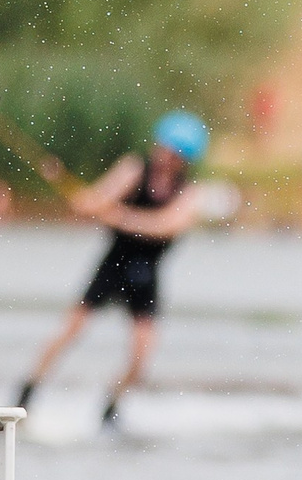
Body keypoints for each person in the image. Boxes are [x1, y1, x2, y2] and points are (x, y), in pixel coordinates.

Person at [15, 112, 212, 425]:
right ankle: (25, 395)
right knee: (70, 331)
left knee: (141, 356)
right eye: (161, 146)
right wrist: (71, 190)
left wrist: (115, 215)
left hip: (146, 275)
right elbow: (96, 200)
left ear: (183, 159)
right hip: (114, 265)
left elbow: (163, 226)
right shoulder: (135, 168)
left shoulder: (189, 194)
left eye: (170, 151)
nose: (162, 154)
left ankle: (111, 407)